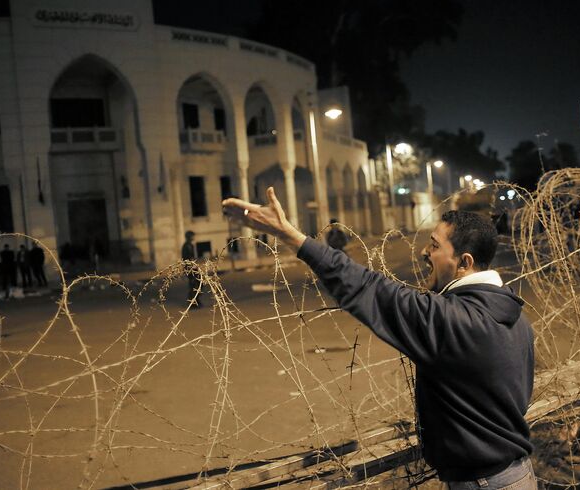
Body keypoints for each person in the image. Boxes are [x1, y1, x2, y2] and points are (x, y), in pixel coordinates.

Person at [223, 188, 536, 489]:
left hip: (483, 483)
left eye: (435, 245)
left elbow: (367, 287)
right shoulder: (515, 315)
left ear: (464, 262)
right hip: (516, 474)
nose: (425, 252)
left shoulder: (451, 320)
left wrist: (290, 235)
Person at [181, 230, 202, 307]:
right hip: (189, 268)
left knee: (199, 283)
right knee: (193, 284)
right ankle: (193, 302)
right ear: (189, 237)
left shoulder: (190, 245)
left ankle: (196, 300)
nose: (194, 237)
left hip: (193, 268)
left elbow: (192, 257)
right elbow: (186, 259)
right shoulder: (186, 246)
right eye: (192, 236)